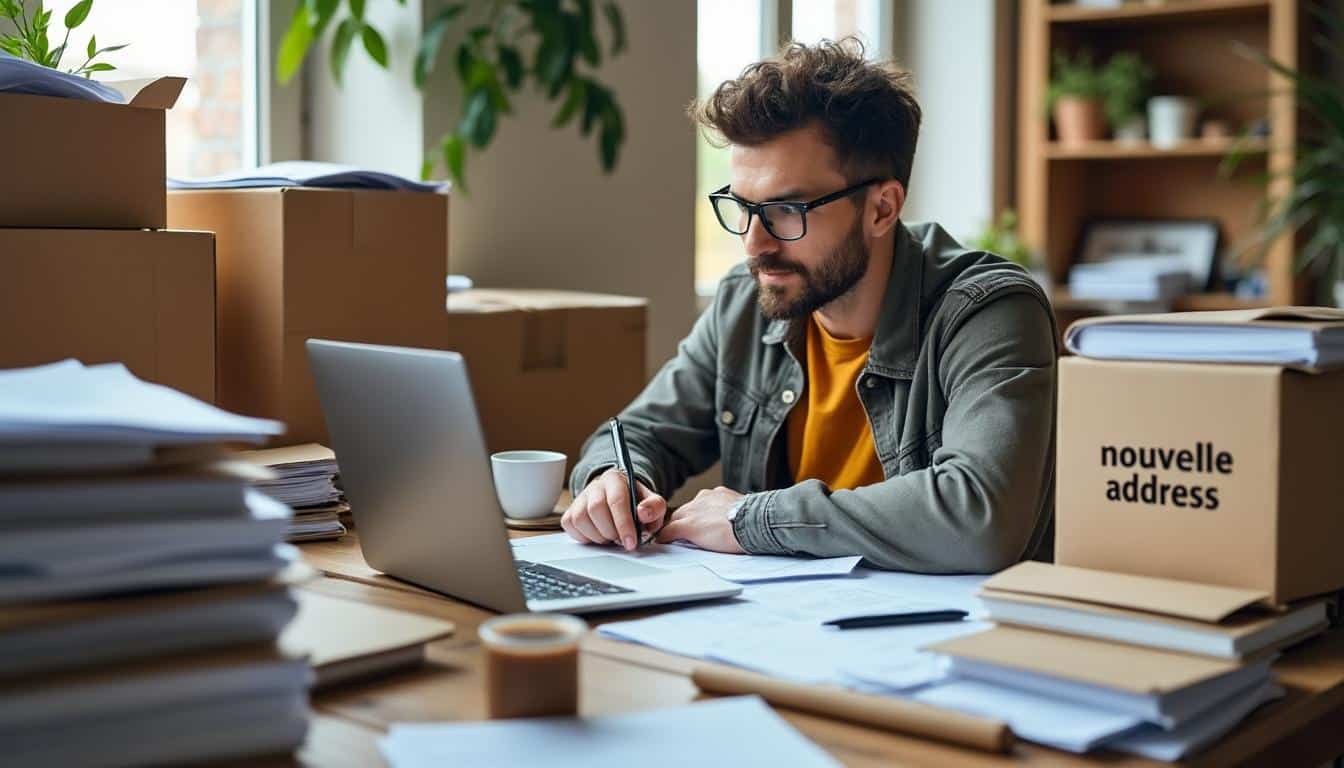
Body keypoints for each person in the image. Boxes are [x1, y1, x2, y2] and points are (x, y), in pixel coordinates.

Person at [561, 38, 1057, 573]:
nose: (754, 244)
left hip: (951, 624)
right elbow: (638, 434)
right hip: (781, 618)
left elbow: (982, 517)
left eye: (786, 209)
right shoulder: (745, 303)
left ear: (882, 208)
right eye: (742, 206)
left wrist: (752, 519)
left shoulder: (987, 312)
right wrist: (612, 481)